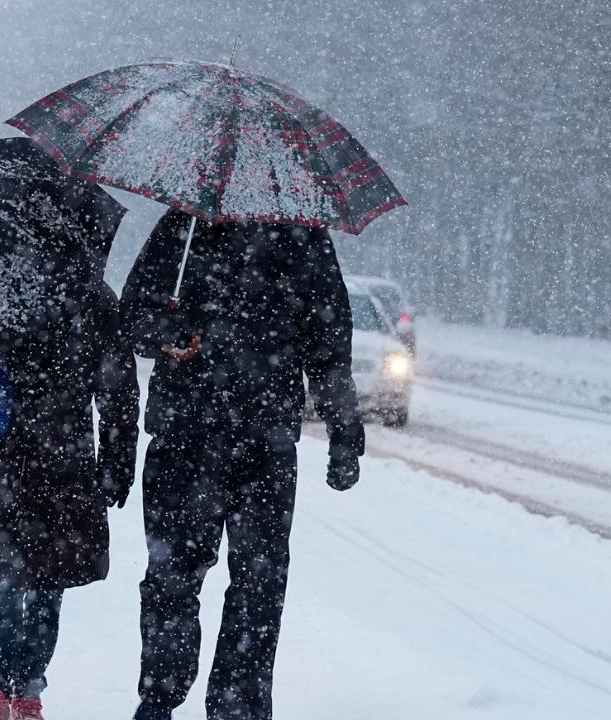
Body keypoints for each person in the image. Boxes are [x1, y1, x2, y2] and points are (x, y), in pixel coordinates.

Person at [120, 209, 365, 720]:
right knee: (173, 575)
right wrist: (168, 329)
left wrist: (344, 430)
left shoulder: (304, 238)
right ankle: (160, 699)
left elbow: (328, 345)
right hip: (184, 436)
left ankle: (239, 708)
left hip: (265, 445)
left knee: (259, 582)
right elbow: (133, 316)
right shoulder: (182, 228)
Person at [0, 281, 140, 720]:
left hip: (51, 458)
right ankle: (1, 688)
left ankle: (21, 689)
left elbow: (118, 390)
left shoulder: (87, 297)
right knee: (15, 579)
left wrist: (116, 463)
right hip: (20, 454)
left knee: (38, 580)